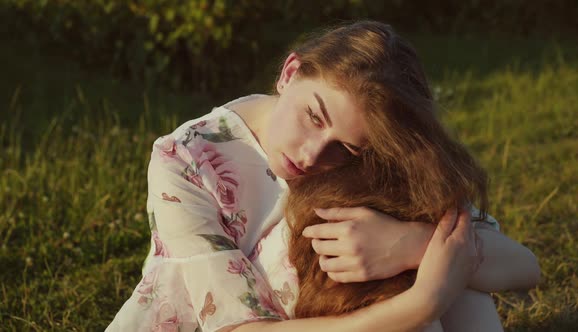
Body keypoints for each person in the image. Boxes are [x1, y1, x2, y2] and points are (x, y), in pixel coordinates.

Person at [107, 21, 540, 331]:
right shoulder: (185, 158)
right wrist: (422, 303)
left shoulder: (373, 151)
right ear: (289, 73)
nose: (313, 154)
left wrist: (413, 245)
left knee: (451, 268)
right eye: (313, 116)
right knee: (438, 281)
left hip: (329, 308)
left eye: (347, 147)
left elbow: (524, 266)